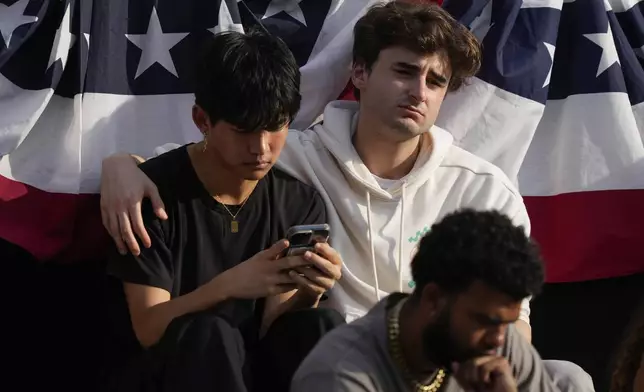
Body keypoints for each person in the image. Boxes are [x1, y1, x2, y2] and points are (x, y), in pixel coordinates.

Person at [103, 29, 345, 392]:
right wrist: (231, 285)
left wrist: (310, 291)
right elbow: (149, 330)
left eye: (275, 126)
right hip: (171, 373)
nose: (261, 148)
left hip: (253, 373)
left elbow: (273, 330)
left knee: (322, 325)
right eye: (243, 131)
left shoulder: (300, 201)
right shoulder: (152, 195)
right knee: (208, 333)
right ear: (203, 120)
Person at [290, 209, 591, 392]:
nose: (498, 339)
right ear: (434, 299)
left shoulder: (497, 342)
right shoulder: (339, 374)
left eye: (506, 324)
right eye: (485, 321)